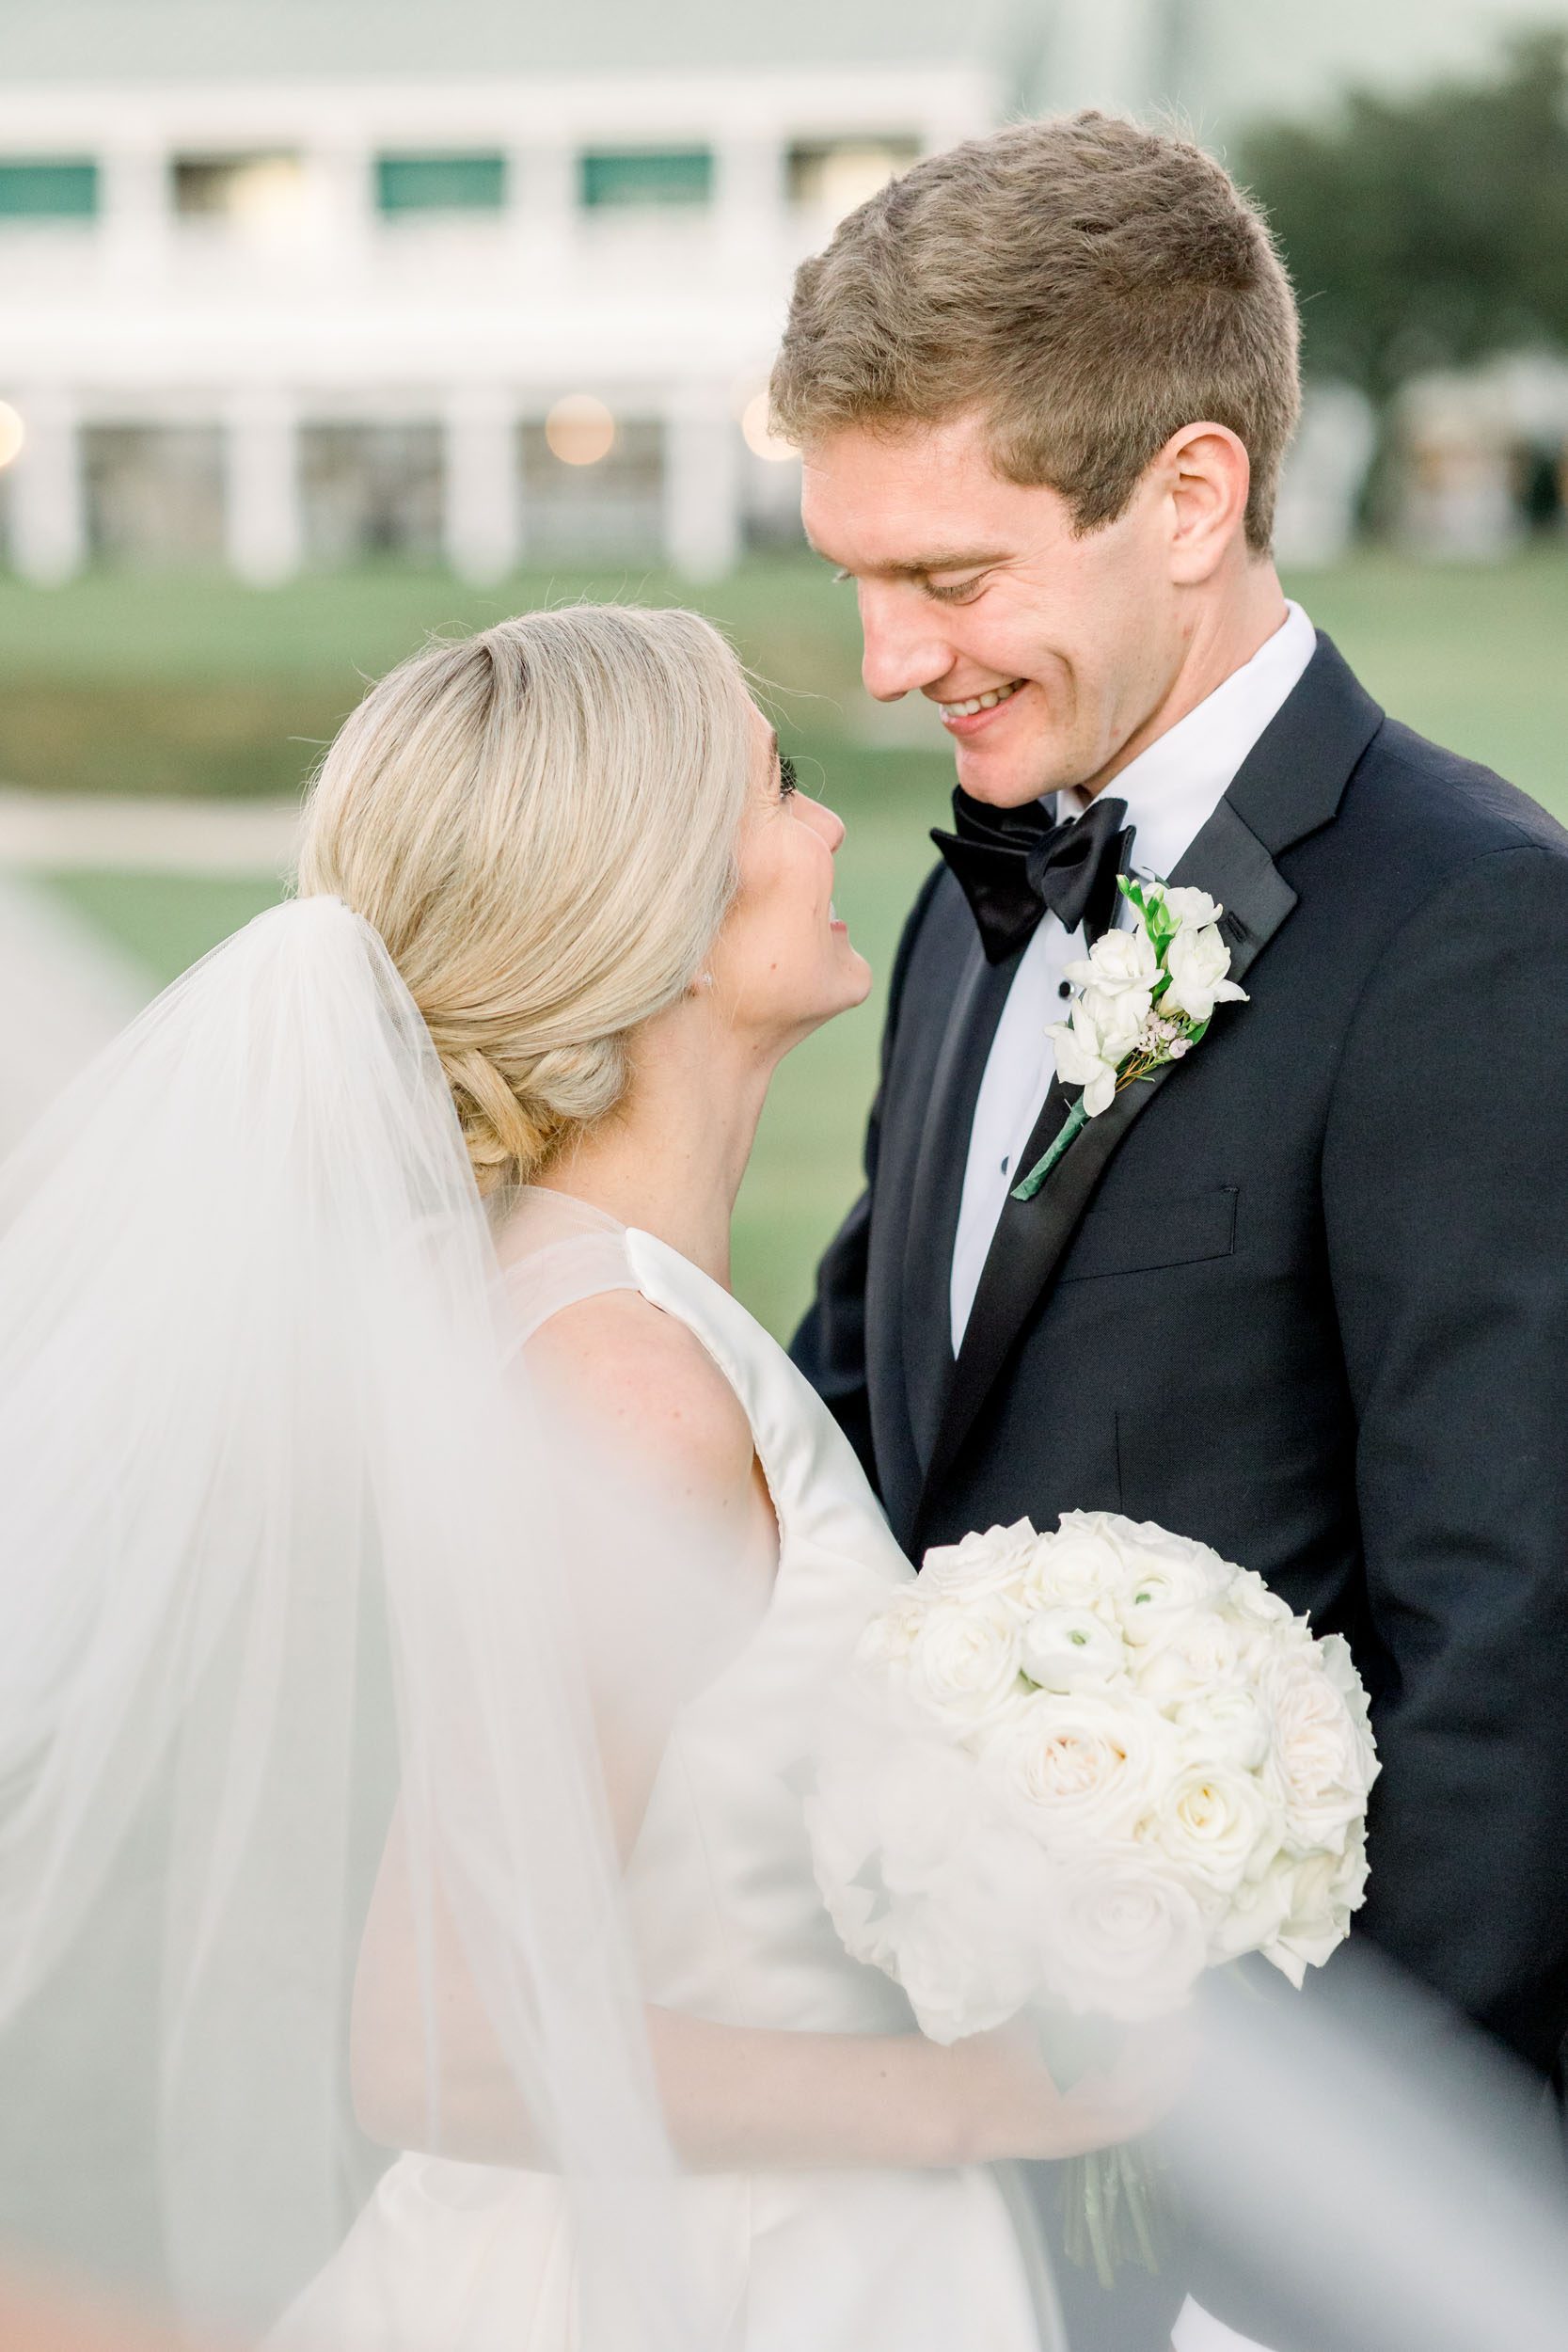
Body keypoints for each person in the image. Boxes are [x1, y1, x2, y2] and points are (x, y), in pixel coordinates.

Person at [0, 605, 1179, 2352]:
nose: (829, 824)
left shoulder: (543, 1300)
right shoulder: (621, 1380)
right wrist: (976, 2102)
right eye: (777, 788)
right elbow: (441, 2035)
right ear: (658, 909)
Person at [775, 110, 1568, 2352]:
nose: (884, 658)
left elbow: (1515, 1642)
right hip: (991, 2182)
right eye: (854, 572)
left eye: (947, 578)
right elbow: (879, 1407)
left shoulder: (1475, 929)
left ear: (1193, 497)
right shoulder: (974, 893)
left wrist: (1307, 2239)